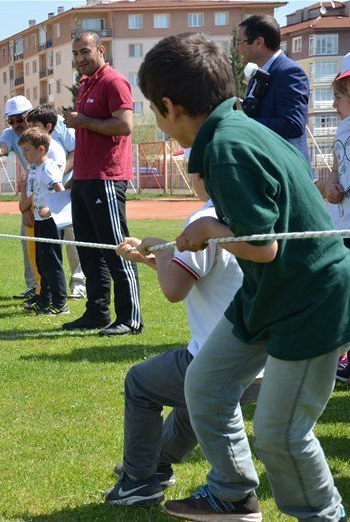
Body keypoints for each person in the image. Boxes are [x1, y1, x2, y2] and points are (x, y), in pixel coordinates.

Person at [138, 32, 349, 521]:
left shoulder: (227, 146)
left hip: (310, 303)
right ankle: (232, 493)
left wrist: (209, 230)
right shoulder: (231, 129)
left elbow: (262, 246)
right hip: (267, 296)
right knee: (205, 384)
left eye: (154, 109)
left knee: (281, 434)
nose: (157, 119)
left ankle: (325, 516)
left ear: (168, 106)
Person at [105, 173, 261, 507]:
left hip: (223, 361)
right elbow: (199, 275)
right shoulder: (257, 211)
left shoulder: (205, 220)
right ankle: (155, 465)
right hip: (269, 364)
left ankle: (138, 482)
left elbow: (174, 290)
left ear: (202, 175)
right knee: (188, 392)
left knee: (141, 382)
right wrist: (149, 257)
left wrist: (162, 248)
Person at [62, 31, 142, 336]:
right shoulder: (86, 84)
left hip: (106, 178)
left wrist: (82, 121)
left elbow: (124, 125)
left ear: (100, 50)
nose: (80, 58)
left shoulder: (113, 81)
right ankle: (96, 313)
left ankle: (131, 318)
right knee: (89, 250)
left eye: (85, 51)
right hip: (84, 179)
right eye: (75, 53)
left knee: (116, 249)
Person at [0, 96, 79, 300]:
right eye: (11, 121)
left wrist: (55, 176)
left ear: (31, 117)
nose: (16, 125)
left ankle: (77, 286)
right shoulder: (11, 134)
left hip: (65, 190)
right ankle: (37, 288)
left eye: (19, 119)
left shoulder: (56, 124)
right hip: (37, 196)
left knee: (71, 239)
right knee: (34, 245)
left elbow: (77, 151)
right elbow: (1, 148)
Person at [26, 107, 86, 300]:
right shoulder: (38, 151)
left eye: (35, 125)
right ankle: (46, 297)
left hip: (53, 211)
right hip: (42, 212)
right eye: (29, 125)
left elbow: (56, 183)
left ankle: (60, 300)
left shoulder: (51, 152)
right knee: (45, 258)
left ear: (48, 127)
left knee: (58, 255)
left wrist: (54, 207)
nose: (30, 129)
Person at [316, 53, 350, 383]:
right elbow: (338, 171)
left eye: (338, 97)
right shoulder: (342, 128)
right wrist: (330, 185)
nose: (333, 104)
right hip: (340, 226)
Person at [236, 14, 310, 163]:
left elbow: (293, 125)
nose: (237, 49)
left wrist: (245, 122)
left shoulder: (289, 72)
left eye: (239, 42)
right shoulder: (259, 73)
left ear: (258, 42)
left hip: (287, 169)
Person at [18, 127, 69, 316]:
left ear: (41, 149)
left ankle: (60, 304)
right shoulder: (35, 168)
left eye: (26, 150)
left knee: (52, 263)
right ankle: (44, 300)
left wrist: (51, 210)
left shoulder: (48, 168)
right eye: (22, 150)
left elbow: (61, 192)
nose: (24, 154)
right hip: (39, 221)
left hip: (50, 223)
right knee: (41, 262)